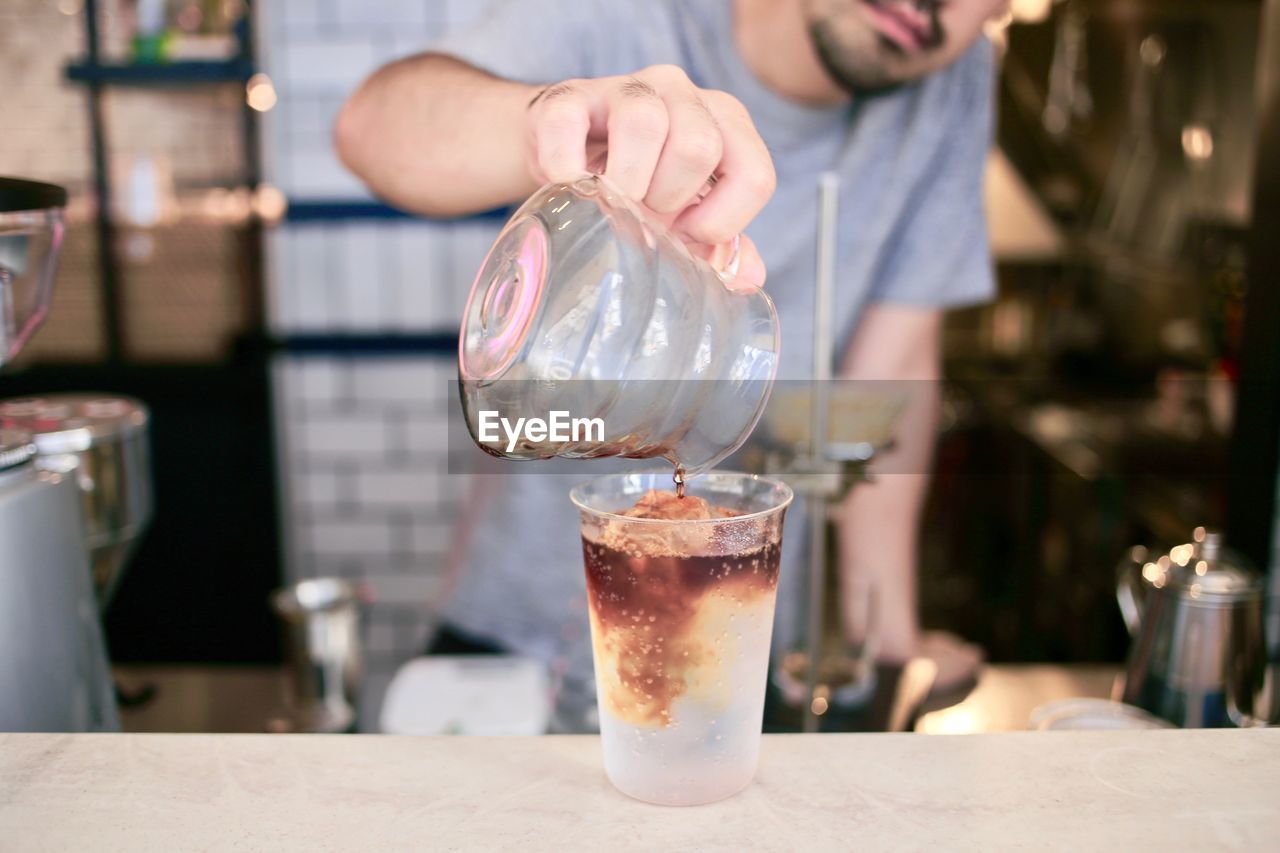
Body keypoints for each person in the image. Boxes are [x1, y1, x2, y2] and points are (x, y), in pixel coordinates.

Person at [336, 0, 1006, 724]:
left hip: (738, 642)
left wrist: (889, 644)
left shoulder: (953, 83)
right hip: (517, 630)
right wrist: (548, 128)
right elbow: (371, 129)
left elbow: (884, 385)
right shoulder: (637, 16)